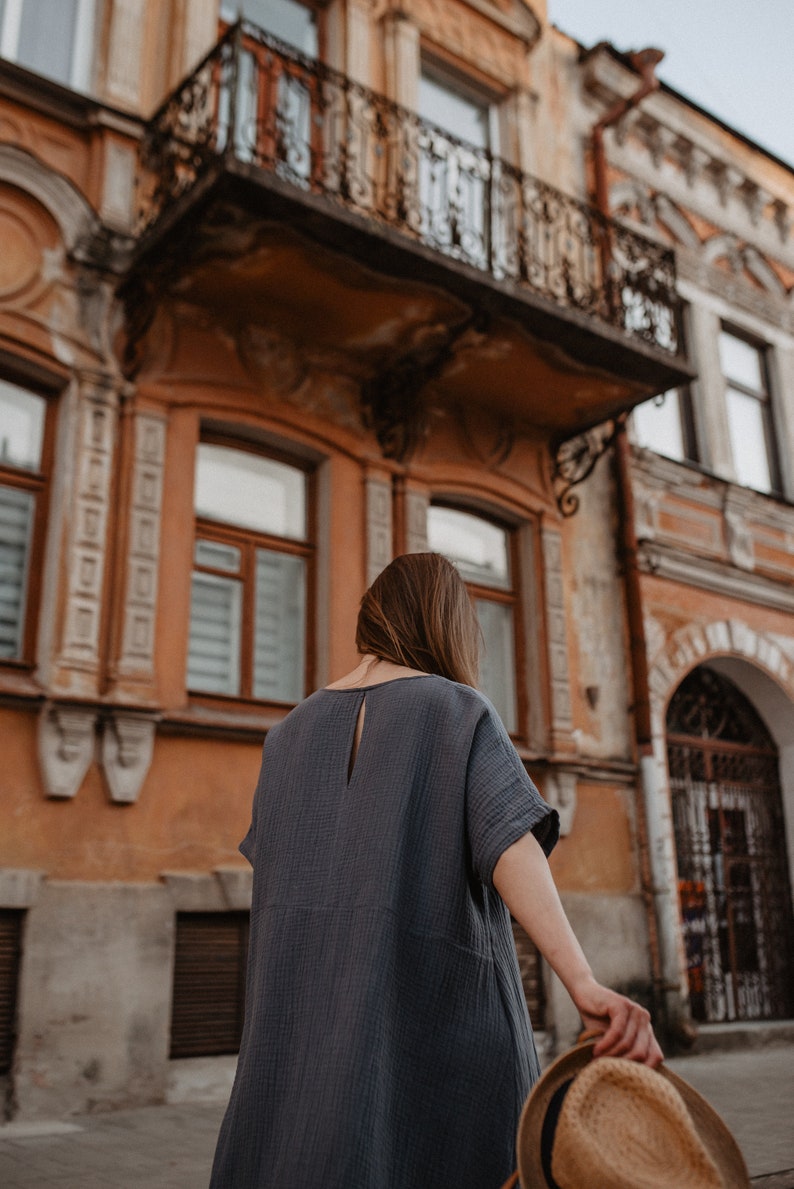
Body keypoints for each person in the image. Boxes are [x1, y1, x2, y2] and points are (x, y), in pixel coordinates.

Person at [209, 552, 662, 1189]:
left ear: (371, 619)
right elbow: (510, 845)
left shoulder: (286, 735)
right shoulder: (456, 710)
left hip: (296, 1042)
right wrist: (582, 983)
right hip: (439, 1027)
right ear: (445, 623)